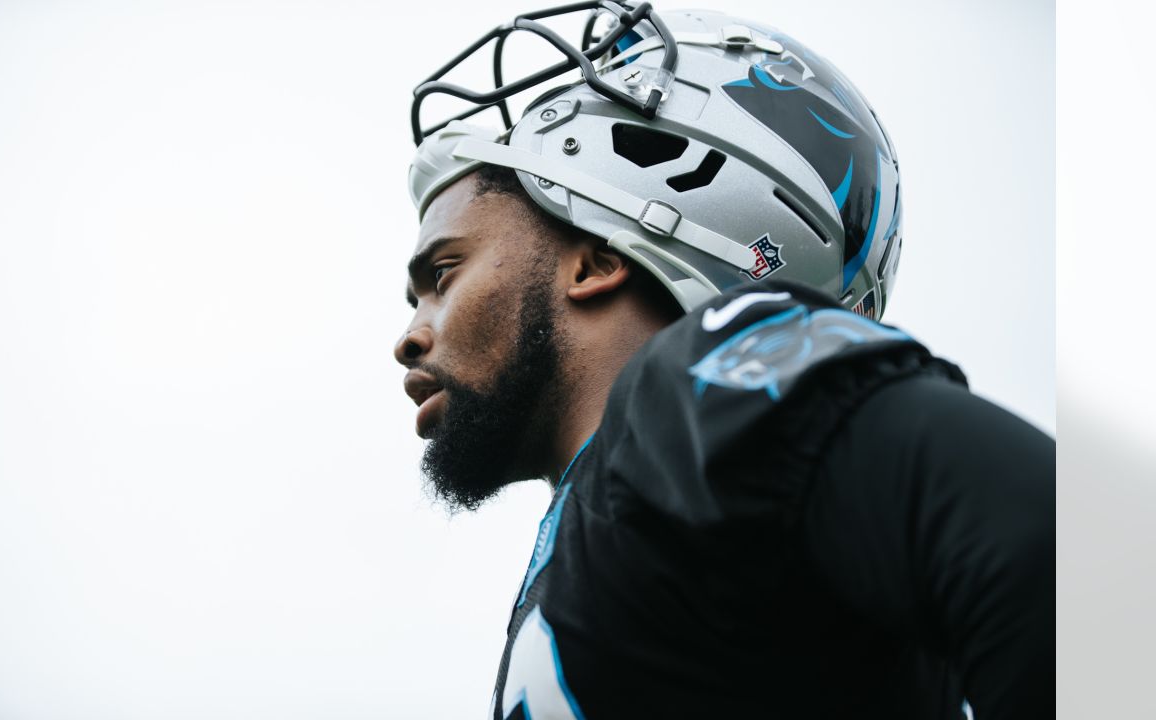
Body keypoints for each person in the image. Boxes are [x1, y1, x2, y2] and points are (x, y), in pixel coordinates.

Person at [396, 5, 1053, 719]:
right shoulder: (614, 511)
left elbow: (1054, 552)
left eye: (444, 273)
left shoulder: (698, 384)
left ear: (596, 260)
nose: (409, 336)